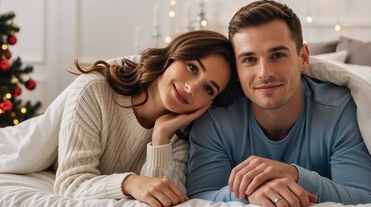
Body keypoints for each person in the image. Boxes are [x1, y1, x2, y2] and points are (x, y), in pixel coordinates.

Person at [186, 0, 371, 206]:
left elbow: (369, 199)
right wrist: (250, 192)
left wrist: (294, 175)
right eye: (249, 59)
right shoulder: (215, 118)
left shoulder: (340, 112)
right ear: (237, 70)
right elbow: (200, 195)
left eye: (278, 55)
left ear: (304, 57)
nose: (265, 73)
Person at [55, 30, 237, 207]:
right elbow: (70, 183)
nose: (191, 88)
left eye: (208, 89)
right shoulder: (95, 91)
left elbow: (166, 198)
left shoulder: (183, 133)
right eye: (192, 68)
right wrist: (130, 183)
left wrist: (161, 137)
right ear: (174, 55)